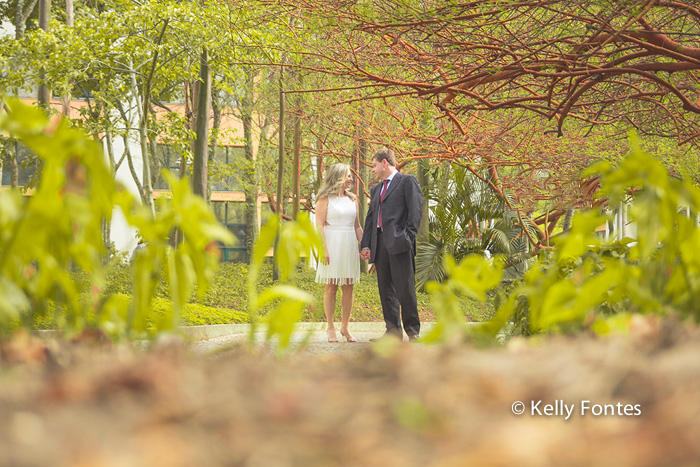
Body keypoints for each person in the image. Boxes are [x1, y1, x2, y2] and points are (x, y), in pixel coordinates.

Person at [360, 148, 423, 341]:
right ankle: (393, 333)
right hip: (380, 245)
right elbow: (370, 220)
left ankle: (413, 332)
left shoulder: (407, 182)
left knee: (405, 288)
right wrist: (366, 245)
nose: (373, 170)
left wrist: (407, 237)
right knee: (385, 290)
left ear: (385, 162)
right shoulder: (376, 190)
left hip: (400, 243)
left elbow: (415, 211)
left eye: (374, 165)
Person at [315, 163, 364, 343]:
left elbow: (357, 226)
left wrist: (365, 246)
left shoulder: (353, 199)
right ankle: (330, 327)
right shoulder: (324, 199)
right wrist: (324, 248)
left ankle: (345, 326)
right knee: (331, 286)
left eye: (350, 176)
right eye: (348, 176)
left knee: (349, 286)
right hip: (332, 243)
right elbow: (319, 224)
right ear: (338, 178)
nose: (351, 179)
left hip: (349, 243)